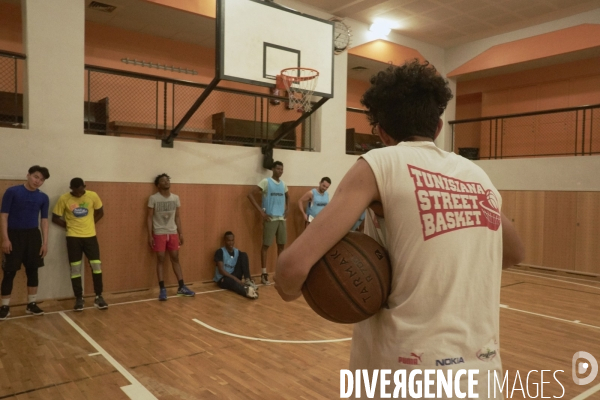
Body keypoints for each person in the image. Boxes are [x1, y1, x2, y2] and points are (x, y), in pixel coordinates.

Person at [274, 60, 525, 397]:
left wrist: (292, 289)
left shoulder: (381, 162)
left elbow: (291, 269)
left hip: (406, 374)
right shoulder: (477, 176)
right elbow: (514, 252)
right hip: (482, 376)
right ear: (438, 127)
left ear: (381, 133)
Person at [0, 166, 50, 320]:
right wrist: (5, 238)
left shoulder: (43, 197)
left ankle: (31, 304)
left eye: (41, 179)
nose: (38, 181)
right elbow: (3, 216)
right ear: (28, 175)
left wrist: (45, 243)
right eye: (36, 177)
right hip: (14, 235)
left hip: (33, 236)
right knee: (9, 272)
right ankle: (4, 306)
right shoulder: (12, 192)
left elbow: (44, 220)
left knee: (33, 270)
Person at [52, 178, 108, 311]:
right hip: (73, 238)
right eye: (75, 192)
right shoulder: (64, 198)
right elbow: (55, 218)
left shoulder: (92, 195)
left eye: (80, 191)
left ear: (84, 187)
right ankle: (78, 298)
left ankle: (99, 296)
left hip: (90, 237)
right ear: (71, 188)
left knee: (96, 266)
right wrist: (69, 226)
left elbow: (100, 212)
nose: (78, 194)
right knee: (75, 268)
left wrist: (90, 224)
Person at [147, 173, 195, 301]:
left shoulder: (175, 198)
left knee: (175, 258)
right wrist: (149, 235)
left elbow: (177, 217)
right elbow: (149, 217)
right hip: (159, 232)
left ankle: (181, 287)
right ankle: (162, 289)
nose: (166, 182)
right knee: (161, 259)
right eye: (163, 181)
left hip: (172, 232)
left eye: (167, 180)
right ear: (158, 185)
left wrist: (181, 233)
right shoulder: (153, 198)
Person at [247, 161, 288, 286]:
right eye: (278, 168)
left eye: (282, 169)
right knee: (266, 246)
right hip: (270, 219)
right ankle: (264, 273)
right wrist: (261, 212)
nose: (280, 171)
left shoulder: (284, 184)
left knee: (281, 246)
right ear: (273, 169)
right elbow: (250, 195)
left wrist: (288, 208)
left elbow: (288, 196)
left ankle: (280, 273)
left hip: (281, 219)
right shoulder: (266, 182)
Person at [213, 231, 258, 299]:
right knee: (233, 283)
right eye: (228, 241)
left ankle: (248, 280)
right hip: (224, 278)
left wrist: (248, 276)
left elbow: (243, 264)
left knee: (244, 254)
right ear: (225, 241)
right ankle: (246, 291)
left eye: (232, 240)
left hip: (234, 274)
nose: (231, 243)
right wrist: (235, 279)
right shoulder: (220, 252)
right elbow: (221, 270)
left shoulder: (237, 251)